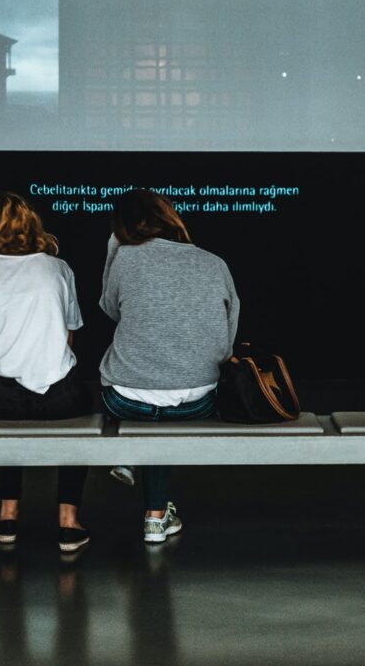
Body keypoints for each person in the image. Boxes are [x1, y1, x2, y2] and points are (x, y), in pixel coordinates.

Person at [0, 192, 92, 552]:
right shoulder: (58, 268)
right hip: (63, 394)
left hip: (5, 396)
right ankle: (68, 521)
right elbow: (69, 332)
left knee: (3, 422)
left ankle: (8, 514)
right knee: (80, 421)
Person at [99, 189, 240, 542]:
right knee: (161, 408)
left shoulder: (124, 259)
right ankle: (155, 516)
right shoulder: (214, 262)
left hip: (125, 399)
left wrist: (114, 250)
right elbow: (226, 343)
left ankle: (131, 459)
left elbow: (110, 309)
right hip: (198, 400)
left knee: (142, 404)